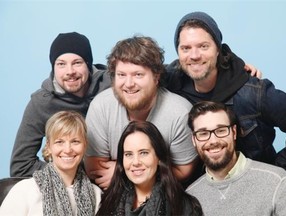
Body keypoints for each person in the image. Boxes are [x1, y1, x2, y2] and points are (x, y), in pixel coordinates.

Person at [165, 11, 286, 171]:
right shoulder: (172, 83)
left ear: (217, 49)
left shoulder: (253, 93)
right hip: (201, 189)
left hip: (255, 188)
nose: (194, 55)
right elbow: (139, 72)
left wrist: (277, 172)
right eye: (186, 48)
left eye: (203, 46)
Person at [84, 36, 198, 190]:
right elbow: (95, 170)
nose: (129, 84)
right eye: (121, 75)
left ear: (156, 77)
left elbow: (183, 171)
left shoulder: (180, 113)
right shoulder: (101, 107)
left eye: (138, 75)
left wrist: (123, 174)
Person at [10, 32, 111, 177]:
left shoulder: (113, 86)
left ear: (88, 65)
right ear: (53, 67)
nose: (70, 71)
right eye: (61, 64)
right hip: (68, 183)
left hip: (115, 180)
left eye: (77, 63)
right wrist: (69, 175)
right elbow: (21, 165)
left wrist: (120, 171)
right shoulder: (42, 103)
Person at [186, 101, 286, 215]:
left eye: (221, 130)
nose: (213, 141)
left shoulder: (277, 181)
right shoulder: (190, 197)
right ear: (194, 140)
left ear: (234, 132)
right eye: (203, 133)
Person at [1, 111, 102, 215]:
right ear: (49, 147)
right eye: (60, 142)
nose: (67, 150)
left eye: (75, 141)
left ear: (85, 145)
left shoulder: (96, 195)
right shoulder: (24, 191)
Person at [96, 121, 203, 216]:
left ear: (159, 158)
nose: (136, 162)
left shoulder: (183, 206)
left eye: (143, 153)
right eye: (128, 154)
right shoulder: (109, 202)